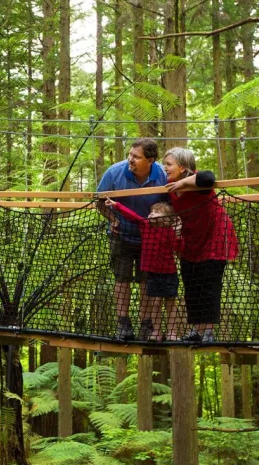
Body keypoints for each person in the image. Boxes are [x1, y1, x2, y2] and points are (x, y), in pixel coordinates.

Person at [162, 147, 238, 343]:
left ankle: (208, 332)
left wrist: (183, 182)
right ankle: (197, 330)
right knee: (191, 283)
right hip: (192, 238)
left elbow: (208, 177)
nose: (165, 168)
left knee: (208, 283)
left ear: (182, 167)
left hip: (214, 235)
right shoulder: (169, 188)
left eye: (169, 164)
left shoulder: (199, 182)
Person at [96, 138, 168, 341]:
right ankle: (123, 325)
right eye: (130, 154)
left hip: (150, 239)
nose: (130, 159)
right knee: (122, 279)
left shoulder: (162, 175)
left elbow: (170, 206)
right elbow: (98, 202)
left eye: (136, 156)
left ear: (150, 160)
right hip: (121, 236)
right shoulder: (114, 172)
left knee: (147, 282)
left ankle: (146, 325)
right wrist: (112, 220)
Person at [105, 200, 183, 341]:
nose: (152, 213)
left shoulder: (170, 232)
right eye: (152, 211)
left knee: (170, 303)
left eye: (157, 212)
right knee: (156, 303)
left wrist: (177, 233)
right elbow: (132, 216)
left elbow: (178, 248)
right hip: (152, 273)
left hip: (169, 273)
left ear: (166, 219)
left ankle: (172, 332)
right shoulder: (145, 226)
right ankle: (156, 332)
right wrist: (116, 205)